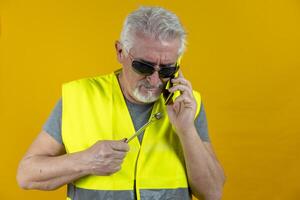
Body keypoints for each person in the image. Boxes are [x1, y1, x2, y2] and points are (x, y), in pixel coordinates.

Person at [17, 6, 225, 200]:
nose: (154, 80)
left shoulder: (188, 104)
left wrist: (186, 130)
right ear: (120, 52)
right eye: (143, 66)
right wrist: (86, 161)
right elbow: (27, 175)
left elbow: (213, 192)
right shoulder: (78, 97)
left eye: (167, 69)